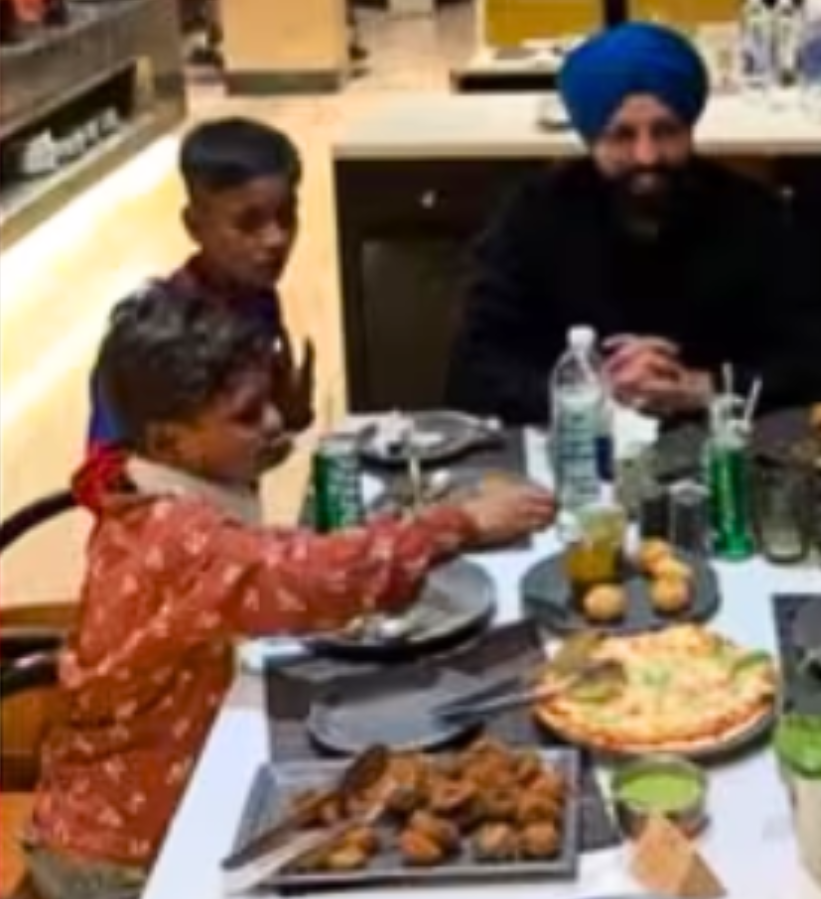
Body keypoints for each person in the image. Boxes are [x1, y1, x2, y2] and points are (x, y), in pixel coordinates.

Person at [27, 285, 555, 899]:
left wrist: (248, 449)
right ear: (171, 443)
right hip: (123, 859)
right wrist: (459, 524)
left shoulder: (141, 488)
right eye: (247, 416)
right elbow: (306, 575)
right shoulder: (176, 536)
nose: (275, 421)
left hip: (115, 812)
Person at [446, 22, 821, 425]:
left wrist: (709, 387)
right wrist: (592, 391)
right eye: (622, 136)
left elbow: (815, 358)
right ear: (590, 138)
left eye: (666, 131)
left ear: (690, 128)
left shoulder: (752, 215)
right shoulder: (534, 217)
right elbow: (476, 367)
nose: (647, 156)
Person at [86, 117, 314, 466]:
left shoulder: (259, 301)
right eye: (248, 223)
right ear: (195, 226)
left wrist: (286, 418)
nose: (276, 239)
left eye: (286, 217)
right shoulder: (151, 340)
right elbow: (104, 474)